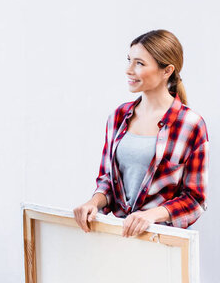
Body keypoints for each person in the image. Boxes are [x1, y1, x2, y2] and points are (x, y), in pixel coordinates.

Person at [73, 29, 208, 237]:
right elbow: (108, 179)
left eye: (140, 63)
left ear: (167, 71)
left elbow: (194, 200)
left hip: (163, 242)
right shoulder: (118, 116)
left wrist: (151, 215)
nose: (129, 70)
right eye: (129, 60)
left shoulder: (191, 125)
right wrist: (94, 202)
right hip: (119, 237)